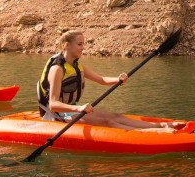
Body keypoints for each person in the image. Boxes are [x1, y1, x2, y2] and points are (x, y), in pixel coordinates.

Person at [38, 30, 183, 130]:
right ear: (67, 45)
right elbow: (53, 104)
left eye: (83, 44)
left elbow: (101, 80)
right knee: (108, 122)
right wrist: (79, 108)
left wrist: (118, 79)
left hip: (70, 111)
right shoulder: (57, 69)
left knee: (115, 116)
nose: (83, 48)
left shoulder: (76, 66)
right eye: (79, 44)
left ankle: (160, 126)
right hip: (55, 116)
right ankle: (154, 133)